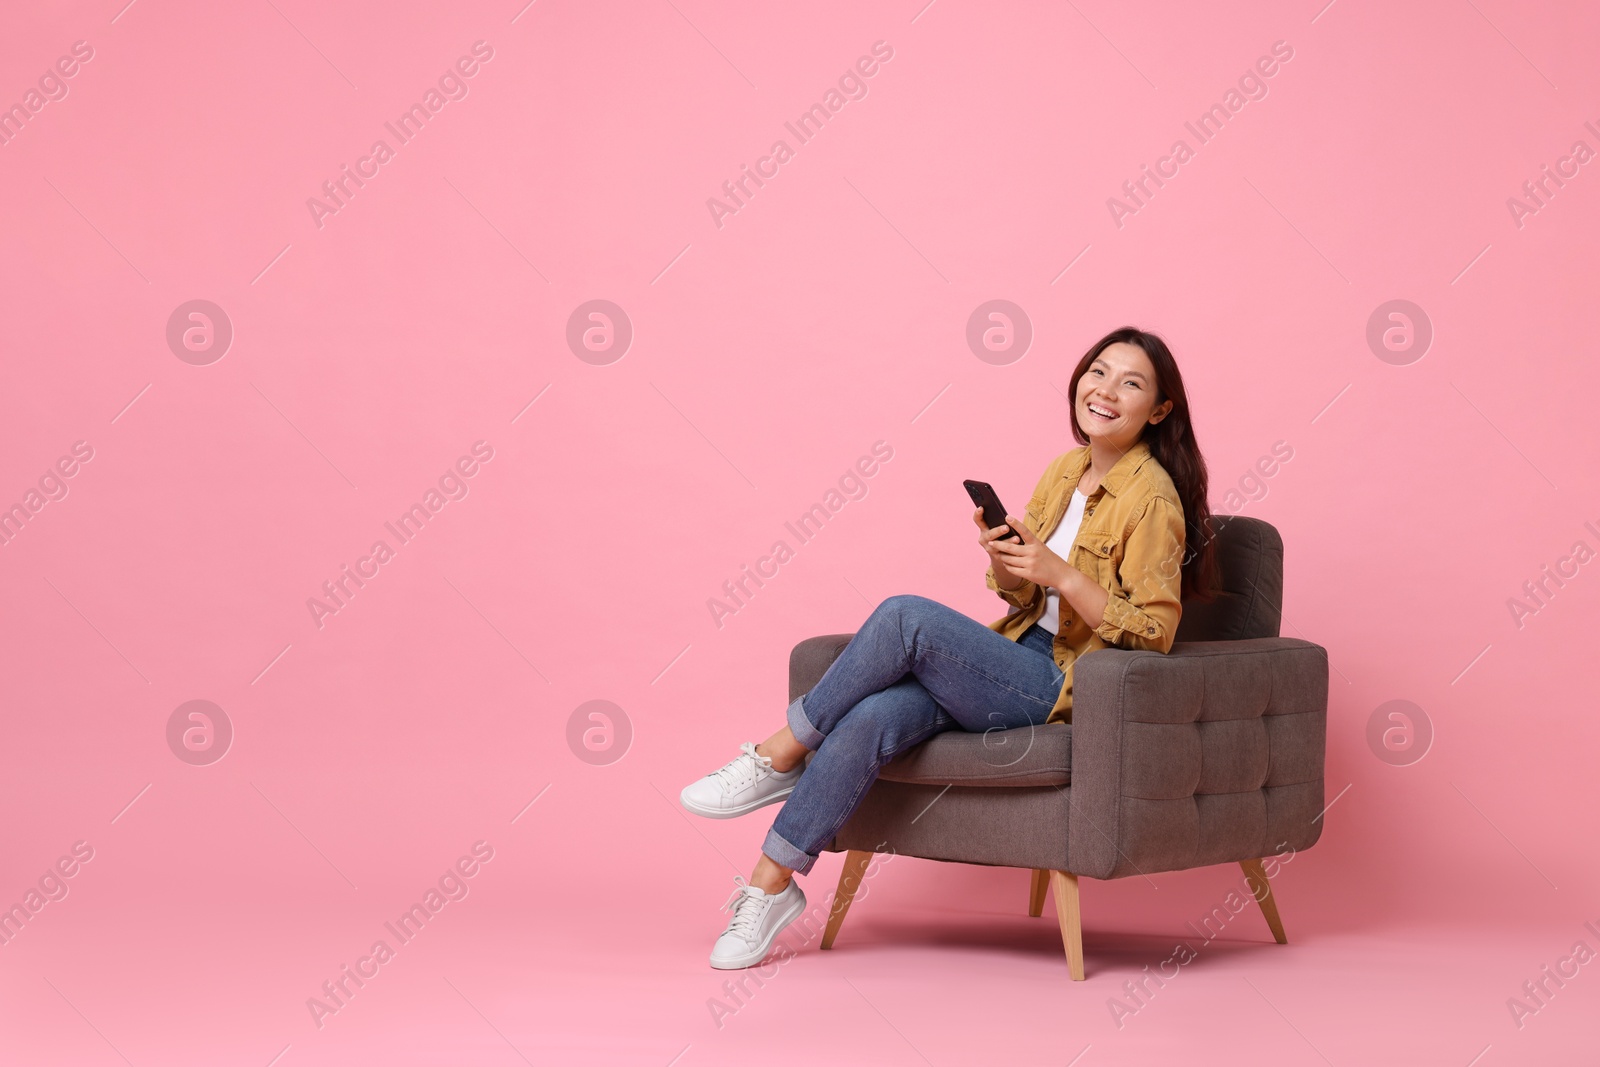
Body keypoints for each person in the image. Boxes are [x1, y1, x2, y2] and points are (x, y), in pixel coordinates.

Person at [679, 326, 1220, 970]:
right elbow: (1022, 598)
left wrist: (1064, 575)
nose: (1104, 390)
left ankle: (778, 755)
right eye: (1097, 372)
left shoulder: (1153, 498)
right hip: (1015, 657)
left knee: (906, 616)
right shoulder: (1065, 469)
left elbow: (1155, 632)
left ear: (1158, 411)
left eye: (1130, 383)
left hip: (1063, 686)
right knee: (871, 717)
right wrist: (1013, 565)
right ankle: (771, 886)